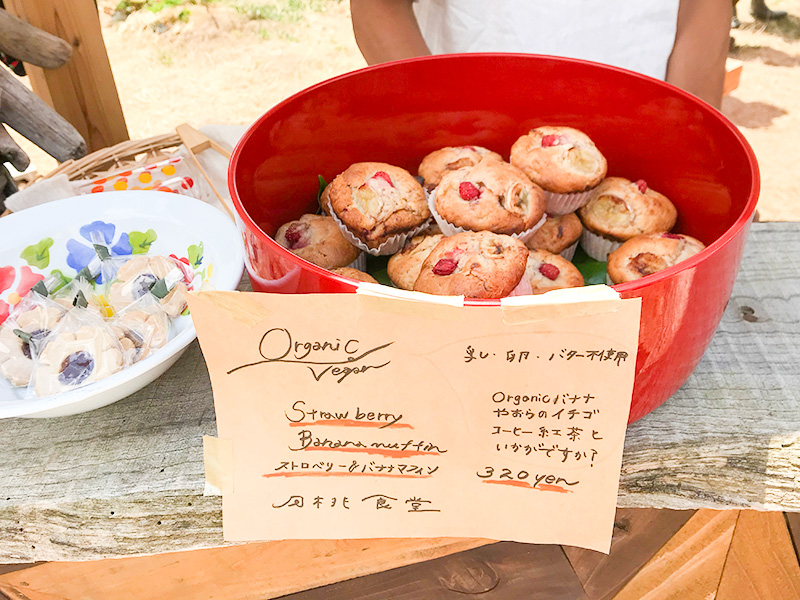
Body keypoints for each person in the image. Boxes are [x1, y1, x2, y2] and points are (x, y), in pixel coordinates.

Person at [350, 0, 732, 109]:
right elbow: (379, 7)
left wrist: (690, 143)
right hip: (468, 139)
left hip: (642, 142)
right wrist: (442, 125)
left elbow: (703, 8)